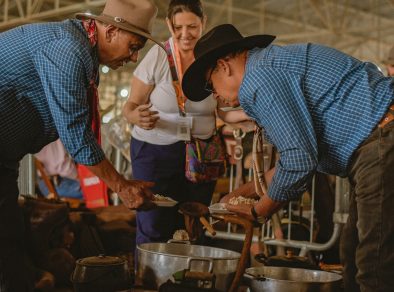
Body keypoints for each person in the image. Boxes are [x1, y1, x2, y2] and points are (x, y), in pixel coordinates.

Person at [181, 24, 394, 292]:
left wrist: (259, 211)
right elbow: (292, 161)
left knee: (374, 266)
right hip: (376, 143)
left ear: (224, 66)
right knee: (352, 255)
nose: (214, 95)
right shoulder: (268, 66)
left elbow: (298, 161)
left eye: (209, 84)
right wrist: (238, 195)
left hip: (382, 142)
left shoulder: (258, 80)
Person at [0, 0, 161, 290]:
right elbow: (76, 133)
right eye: (134, 46)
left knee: (8, 237)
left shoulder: (83, 55)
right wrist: (122, 186)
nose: (134, 57)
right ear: (111, 31)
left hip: (5, 158)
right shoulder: (68, 49)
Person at [122, 0, 217, 248]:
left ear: (203, 22)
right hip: (155, 152)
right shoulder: (158, 56)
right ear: (168, 25)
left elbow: (225, 107)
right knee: (154, 222)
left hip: (200, 152)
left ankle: (189, 281)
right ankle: (149, 282)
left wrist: (246, 119)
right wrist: (135, 116)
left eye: (192, 26)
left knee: (195, 221)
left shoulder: (212, 58)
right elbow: (129, 106)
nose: (185, 34)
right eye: (178, 27)